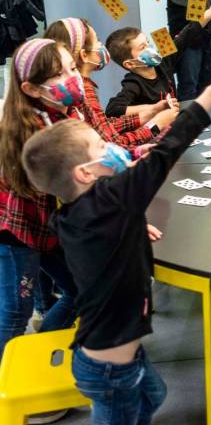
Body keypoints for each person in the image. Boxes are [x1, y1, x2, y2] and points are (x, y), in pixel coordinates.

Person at [20, 50, 211, 425]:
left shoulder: (76, 215)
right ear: (86, 173)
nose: (110, 149)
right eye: (100, 148)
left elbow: (104, 233)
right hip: (109, 367)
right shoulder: (115, 202)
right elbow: (173, 145)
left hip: (111, 351)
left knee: (154, 395)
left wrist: (132, 226)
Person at [0, 38, 83, 424]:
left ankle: (41, 355)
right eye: (62, 73)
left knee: (78, 291)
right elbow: (68, 180)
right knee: (12, 315)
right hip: (16, 235)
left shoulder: (57, 111)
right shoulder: (28, 129)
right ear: (31, 88)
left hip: (46, 229)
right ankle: (13, 388)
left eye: (72, 67)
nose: (74, 77)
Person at [44, 17, 178, 155]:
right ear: (84, 55)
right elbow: (112, 145)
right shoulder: (82, 91)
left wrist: (149, 113)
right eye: (97, 40)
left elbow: (102, 126)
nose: (101, 45)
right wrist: (154, 125)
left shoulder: (82, 86)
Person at [105, 0, 211, 118]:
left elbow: (187, 35)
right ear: (130, 64)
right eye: (143, 47)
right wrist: (153, 108)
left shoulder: (163, 64)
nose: (150, 48)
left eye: (148, 42)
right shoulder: (134, 83)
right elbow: (113, 109)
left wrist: (210, 13)